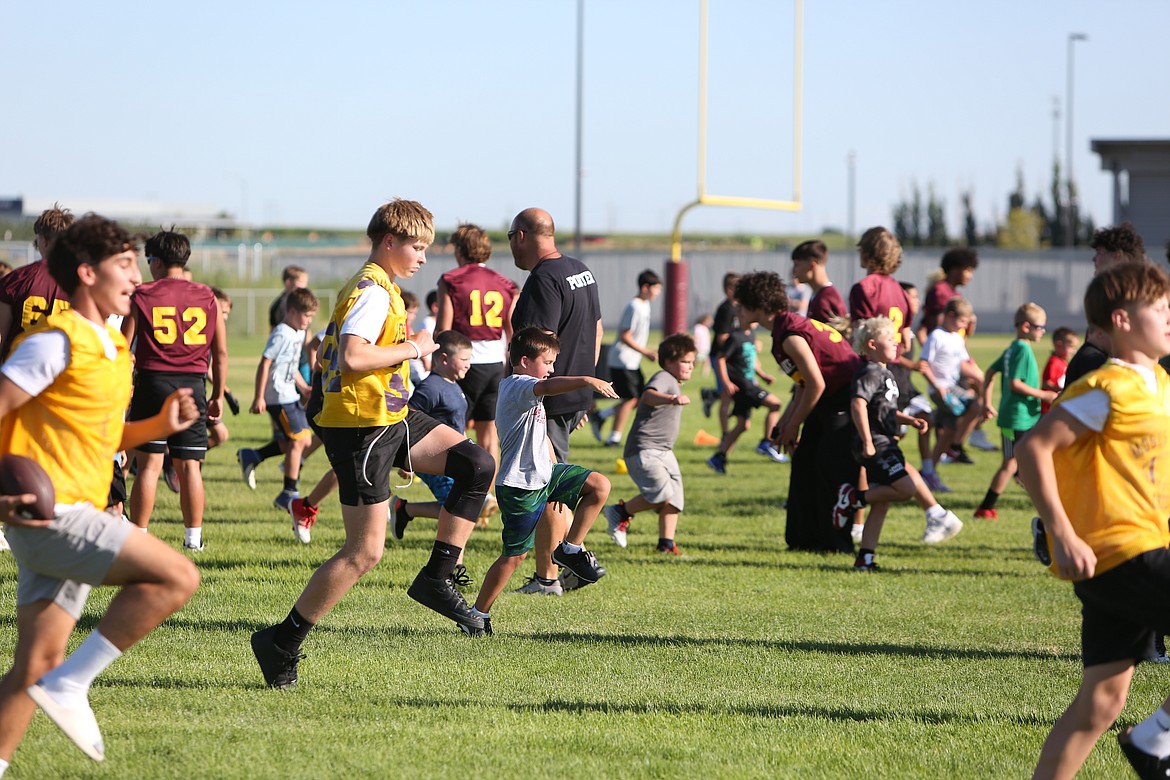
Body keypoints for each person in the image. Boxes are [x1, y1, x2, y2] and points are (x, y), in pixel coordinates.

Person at [250, 199, 496, 689]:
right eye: (417, 246)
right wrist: (416, 348)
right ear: (389, 242)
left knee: (475, 463)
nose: (424, 257)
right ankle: (281, 641)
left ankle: (437, 578)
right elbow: (354, 354)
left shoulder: (380, 286)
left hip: (392, 416)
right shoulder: (373, 292)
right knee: (364, 553)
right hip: (362, 429)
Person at [0, 214, 201, 768]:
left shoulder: (112, 345)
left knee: (34, 665)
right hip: (50, 515)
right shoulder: (54, 342)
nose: (136, 278)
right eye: (125, 265)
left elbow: (104, 436)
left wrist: (159, 425)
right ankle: (74, 684)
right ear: (87, 273)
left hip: (70, 509)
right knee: (179, 574)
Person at [1016, 261, 1170, 779]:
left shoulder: (1160, 382)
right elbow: (1033, 449)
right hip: (1124, 551)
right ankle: (1154, 740)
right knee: (1103, 703)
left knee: (1101, 702)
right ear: (1122, 320)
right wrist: (1061, 532)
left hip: (1124, 558)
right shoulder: (1108, 386)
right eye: (1160, 308)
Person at [463, 328, 616, 635]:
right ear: (523, 361)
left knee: (600, 485)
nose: (552, 368)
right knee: (514, 558)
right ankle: (477, 614)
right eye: (547, 362)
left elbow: (539, 431)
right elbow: (553, 386)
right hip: (520, 486)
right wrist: (588, 380)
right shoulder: (517, 385)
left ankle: (569, 549)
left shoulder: (529, 386)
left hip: (546, 475)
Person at [507, 207, 603, 595]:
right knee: (552, 477)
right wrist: (583, 390)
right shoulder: (581, 268)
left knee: (547, 482)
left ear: (523, 236)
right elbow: (595, 329)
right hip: (570, 392)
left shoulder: (543, 280)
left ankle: (552, 574)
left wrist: (534, 396)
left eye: (511, 237)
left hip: (546, 397)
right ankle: (559, 566)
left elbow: (539, 344)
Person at [734, 271, 862, 554]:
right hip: (829, 398)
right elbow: (805, 385)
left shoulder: (790, 334)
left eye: (741, 304)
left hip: (846, 399)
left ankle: (837, 544)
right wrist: (786, 424)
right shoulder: (784, 328)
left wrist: (794, 425)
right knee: (804, 461)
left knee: (830, 469)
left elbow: (817, 383)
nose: (737, 310)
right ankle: (803, 539)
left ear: (757, 305)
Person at [122, 229, 227, 551]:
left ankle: (138, 534)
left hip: (152, 382)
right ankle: (193, 539)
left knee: (149, 466)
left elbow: (123, 347)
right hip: (193, 384)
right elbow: (220, 353)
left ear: (155, 261)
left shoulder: (143, 294)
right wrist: (218, 394)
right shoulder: (207, 295)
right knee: (189, 465)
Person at [833, 317, 962, 571]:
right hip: (877, 444)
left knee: (883, 502)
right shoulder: (869, 372)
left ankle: (865, 559)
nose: (898, 342)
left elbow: (883, 409)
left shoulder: (885, 372)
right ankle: (853, 498)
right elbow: (858, 404)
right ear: (872, 344)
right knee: (906, 488)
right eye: (890, 339)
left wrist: (909, 420)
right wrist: (868, 441)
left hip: (886, 442)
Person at [436, 222, 518, 482]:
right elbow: (512, 331)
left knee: (452, 431)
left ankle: (459, 492)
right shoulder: (506, 284)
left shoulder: (451, 280)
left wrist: (436, 366)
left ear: (460, 249)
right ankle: (487, 493)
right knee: (488, 435)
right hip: (495, 364)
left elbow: (443, 330)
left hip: (464, 363)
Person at [602, 332, 696, 554]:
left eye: (692, 362)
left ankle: (666, 544)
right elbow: (649, 396)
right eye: (685, 362)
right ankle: (620, 511)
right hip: (645, 450)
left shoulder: (673, 380)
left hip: (663, 451)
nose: (690, 366)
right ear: (669, 362)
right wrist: (672, 399)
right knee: (662, 495)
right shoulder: (665, 378)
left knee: (675, 499)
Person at [389, 330, 477, 541]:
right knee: (457, 510)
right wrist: (407, 460)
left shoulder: (454, 385)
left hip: (454, 458)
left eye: (469, 359)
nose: (468, 365)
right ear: (444, 359)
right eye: (464, 359)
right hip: (436, 458)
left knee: (461, 508)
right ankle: (452, 563)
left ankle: (405, 509)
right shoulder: (430, 388)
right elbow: (408, 420)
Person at [974, 303, 1056, 520]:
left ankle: (1042, 501)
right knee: (1011, 462)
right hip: (1016, 417)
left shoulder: (1013, 347)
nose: (1043, 331)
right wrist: (1044, 395)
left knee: (1024, 461)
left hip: (1024, 417)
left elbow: (990, 372)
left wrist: (986, 403)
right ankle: (985, 508)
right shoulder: (1022, 349)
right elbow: (1015, 384)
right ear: (1026, 326)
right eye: (1040, 327)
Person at [250, 287, 318, 518]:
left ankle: (253, 457)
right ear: (291, 311)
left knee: (298, 442)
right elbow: (265, 364)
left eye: (311, 317)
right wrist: (259, 397)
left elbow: (290, 366)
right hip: (277, 396)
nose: (308, 321)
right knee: (300, 441)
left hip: (290, 393)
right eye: (306, 316)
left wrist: (304, 387)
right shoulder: (282, 333)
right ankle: (288, 492)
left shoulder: (298, 333)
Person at [1063, 222, 1148, 386]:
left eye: (1100, 253)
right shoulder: (1106, 294)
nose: (1094, 259)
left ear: (1116, 255)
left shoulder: (1138, 296)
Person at [918, 298, 984, 493]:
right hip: (942, 389)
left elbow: (963, 364)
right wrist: (936, 386)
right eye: (963, 322)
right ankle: (955, 446)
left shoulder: (957, 337)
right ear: (951, 316)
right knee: (975, 407)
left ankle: (928, 472)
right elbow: (923, 365)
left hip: (953, 387)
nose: (965, 327)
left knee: (947, 430)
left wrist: (978, 377)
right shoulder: (936, 336)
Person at [706, 317, 787, 472]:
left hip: (749, 383)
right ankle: (766, 442)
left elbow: (750, 360)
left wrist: (762, 375)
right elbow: (720, 358)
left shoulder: (750, 335)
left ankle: (719, 457)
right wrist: (726, 382)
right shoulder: (735, 337)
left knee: (743, 424)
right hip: (743, 386)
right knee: (775, 404)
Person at [593, 269, 662, 447]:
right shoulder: (635, 306)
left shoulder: (645, 305)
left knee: (640, 398)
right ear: (645, 287)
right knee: (631, 398)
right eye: (656, 288)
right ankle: (613, 438)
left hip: (631, 361)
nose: (658, 292)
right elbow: (625, 335)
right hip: (623, 360)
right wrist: (645, 352)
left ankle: (601, 416)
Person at [0, 204, 73, 361]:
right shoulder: (83, 284)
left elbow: (2, 337)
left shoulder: (15, 280)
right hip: (64, 375)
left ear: (45, 241)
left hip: (19, 371)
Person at [701, 273, 740, 430]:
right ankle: (725, 434)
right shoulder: (726, 310)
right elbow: (722, 338)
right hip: (721, 357)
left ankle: (710, 395)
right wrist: (738, 345)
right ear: (729, 289)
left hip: (732, 357)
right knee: (727, 395)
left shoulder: (738, 307)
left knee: (733, 392)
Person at [792, 239, 846, 325]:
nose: (793, 271)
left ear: (812, 265)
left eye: (797, 265)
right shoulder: (818, 295)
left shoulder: (827, 300)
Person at [1040, 327, 1079, 414]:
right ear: (1059, 345)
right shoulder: (1054, 362)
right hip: (1049, 409)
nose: (1074, 351)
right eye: (1071, 347)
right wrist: (1064, 389)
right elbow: (1046, 383)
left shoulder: (1063, 362)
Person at [268, 265, 308, 330]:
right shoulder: (280, 306)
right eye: (301, 282)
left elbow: (307, 330)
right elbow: (274, 330)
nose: (305, 286)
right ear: (288, 283)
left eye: (306, 282)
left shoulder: (303, 302)